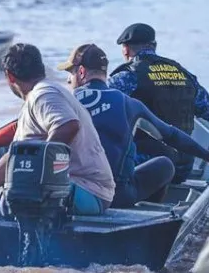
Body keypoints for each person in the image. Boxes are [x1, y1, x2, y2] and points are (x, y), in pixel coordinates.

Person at [0, 43, 116, 215]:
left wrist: (42, 167)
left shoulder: (43, 95)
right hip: (84, 191)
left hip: (89, 192)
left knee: (15, 193)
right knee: (7, 188)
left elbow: (68, 125)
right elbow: (14, 156)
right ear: (41, 68)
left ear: (10, 76)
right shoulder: (42, 95)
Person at [58, 44, 209, 207]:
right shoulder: (128, 103)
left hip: (75, 194)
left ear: (81, 72)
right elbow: (172, 136)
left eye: (70, 73)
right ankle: (147, 215)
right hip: (119, 197)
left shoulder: (61, 102)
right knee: (165, 164)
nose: (68, 79)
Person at [108, 23, 209, 182]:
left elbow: (101, 107)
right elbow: (206, 110)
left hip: (146, 164)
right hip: (183, 167)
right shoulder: (183, 73)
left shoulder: (127, 76)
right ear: (154, 45)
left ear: (126, 49)